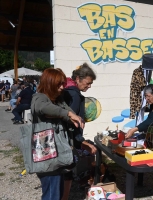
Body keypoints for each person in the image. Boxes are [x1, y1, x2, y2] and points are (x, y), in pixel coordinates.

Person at [31, 68, 84, 200]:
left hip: (57, 155)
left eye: (63, 84)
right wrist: (68, 114)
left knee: (57, 193)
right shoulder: (39, 97)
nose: (62, 87)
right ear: (49, 83)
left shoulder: (57, 100)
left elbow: (65, 109)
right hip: (47, 156)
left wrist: (72, 116)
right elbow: (42, 108)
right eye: (59, 84)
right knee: (51, 195)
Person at [61, 63, 97, 200]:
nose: (89, 86)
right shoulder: (75, 96)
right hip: (68, 141)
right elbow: (71, 124)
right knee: (67, 172)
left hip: (64, 140)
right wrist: (82, 142)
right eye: (88, 83)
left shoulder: (67, 91)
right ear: (77, 79)